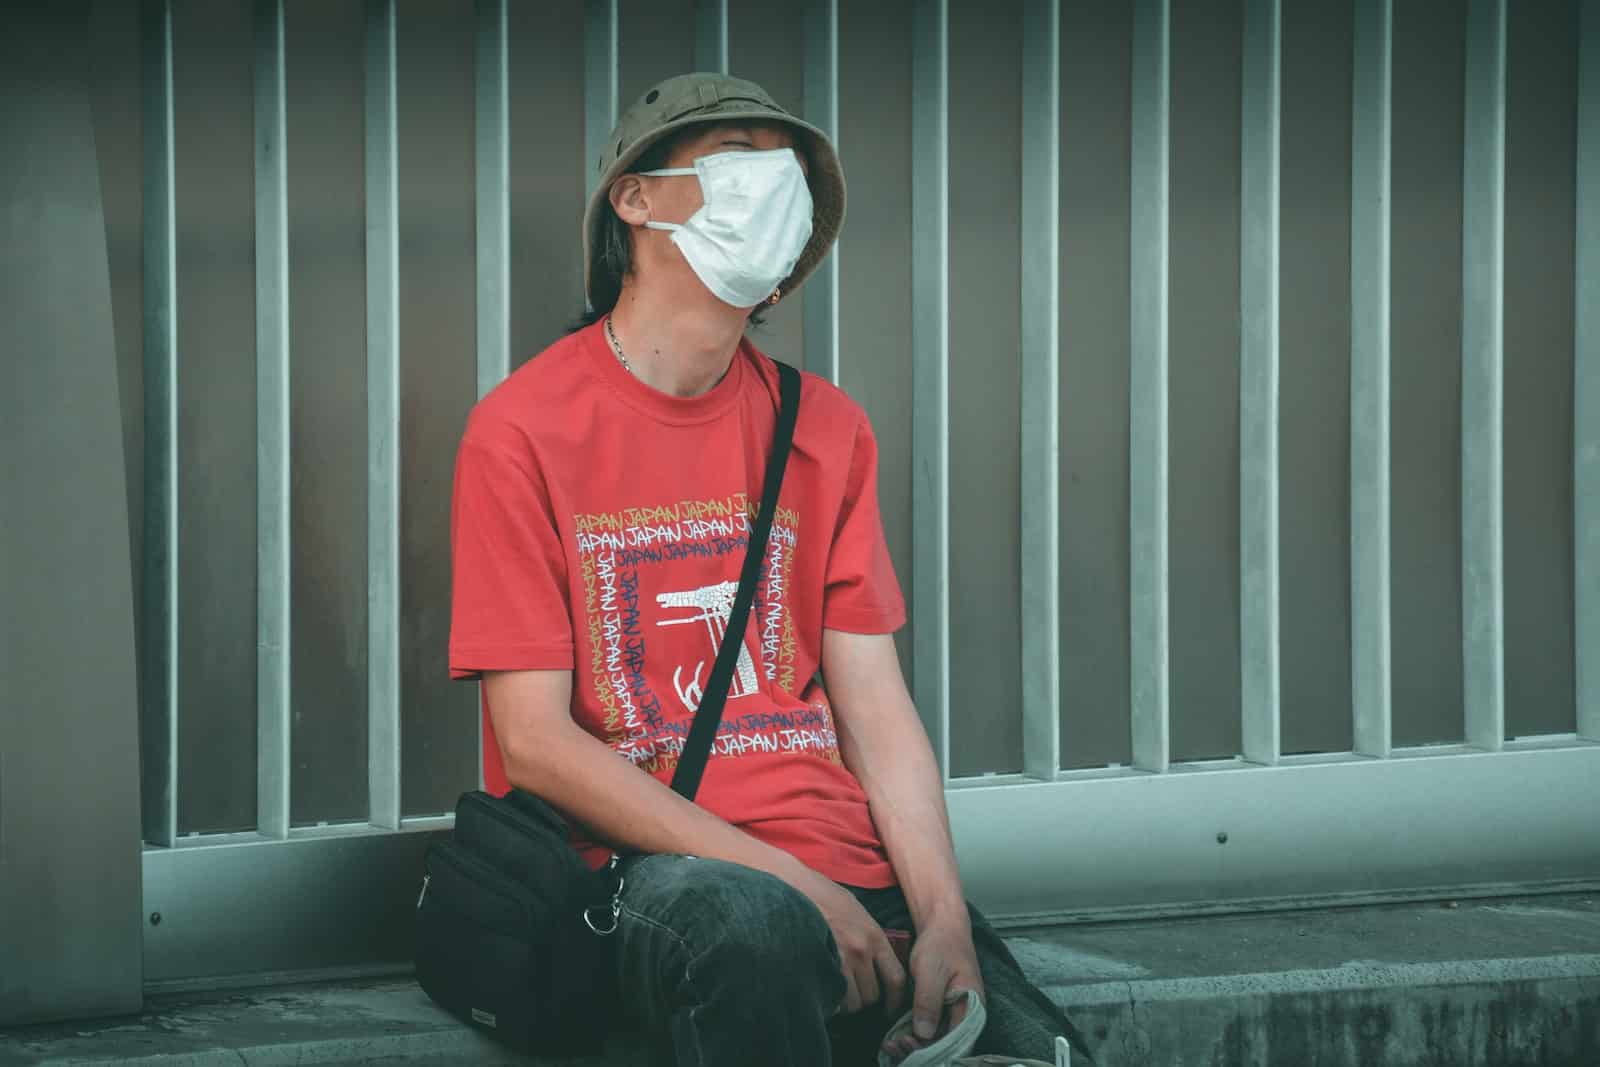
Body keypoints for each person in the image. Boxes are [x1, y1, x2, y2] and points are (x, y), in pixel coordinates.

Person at [448, 72, 1091, 1067]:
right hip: (654, 874)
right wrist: (794, 887)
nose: (771, 184)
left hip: (851, 871)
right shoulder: (523, 429)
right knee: (751, 932)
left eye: (782, 166)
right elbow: (531, 742)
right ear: (636, 195)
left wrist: (944, 918)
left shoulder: (825, 428)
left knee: (1032, 1045)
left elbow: (875, 708)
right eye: (733, 154)